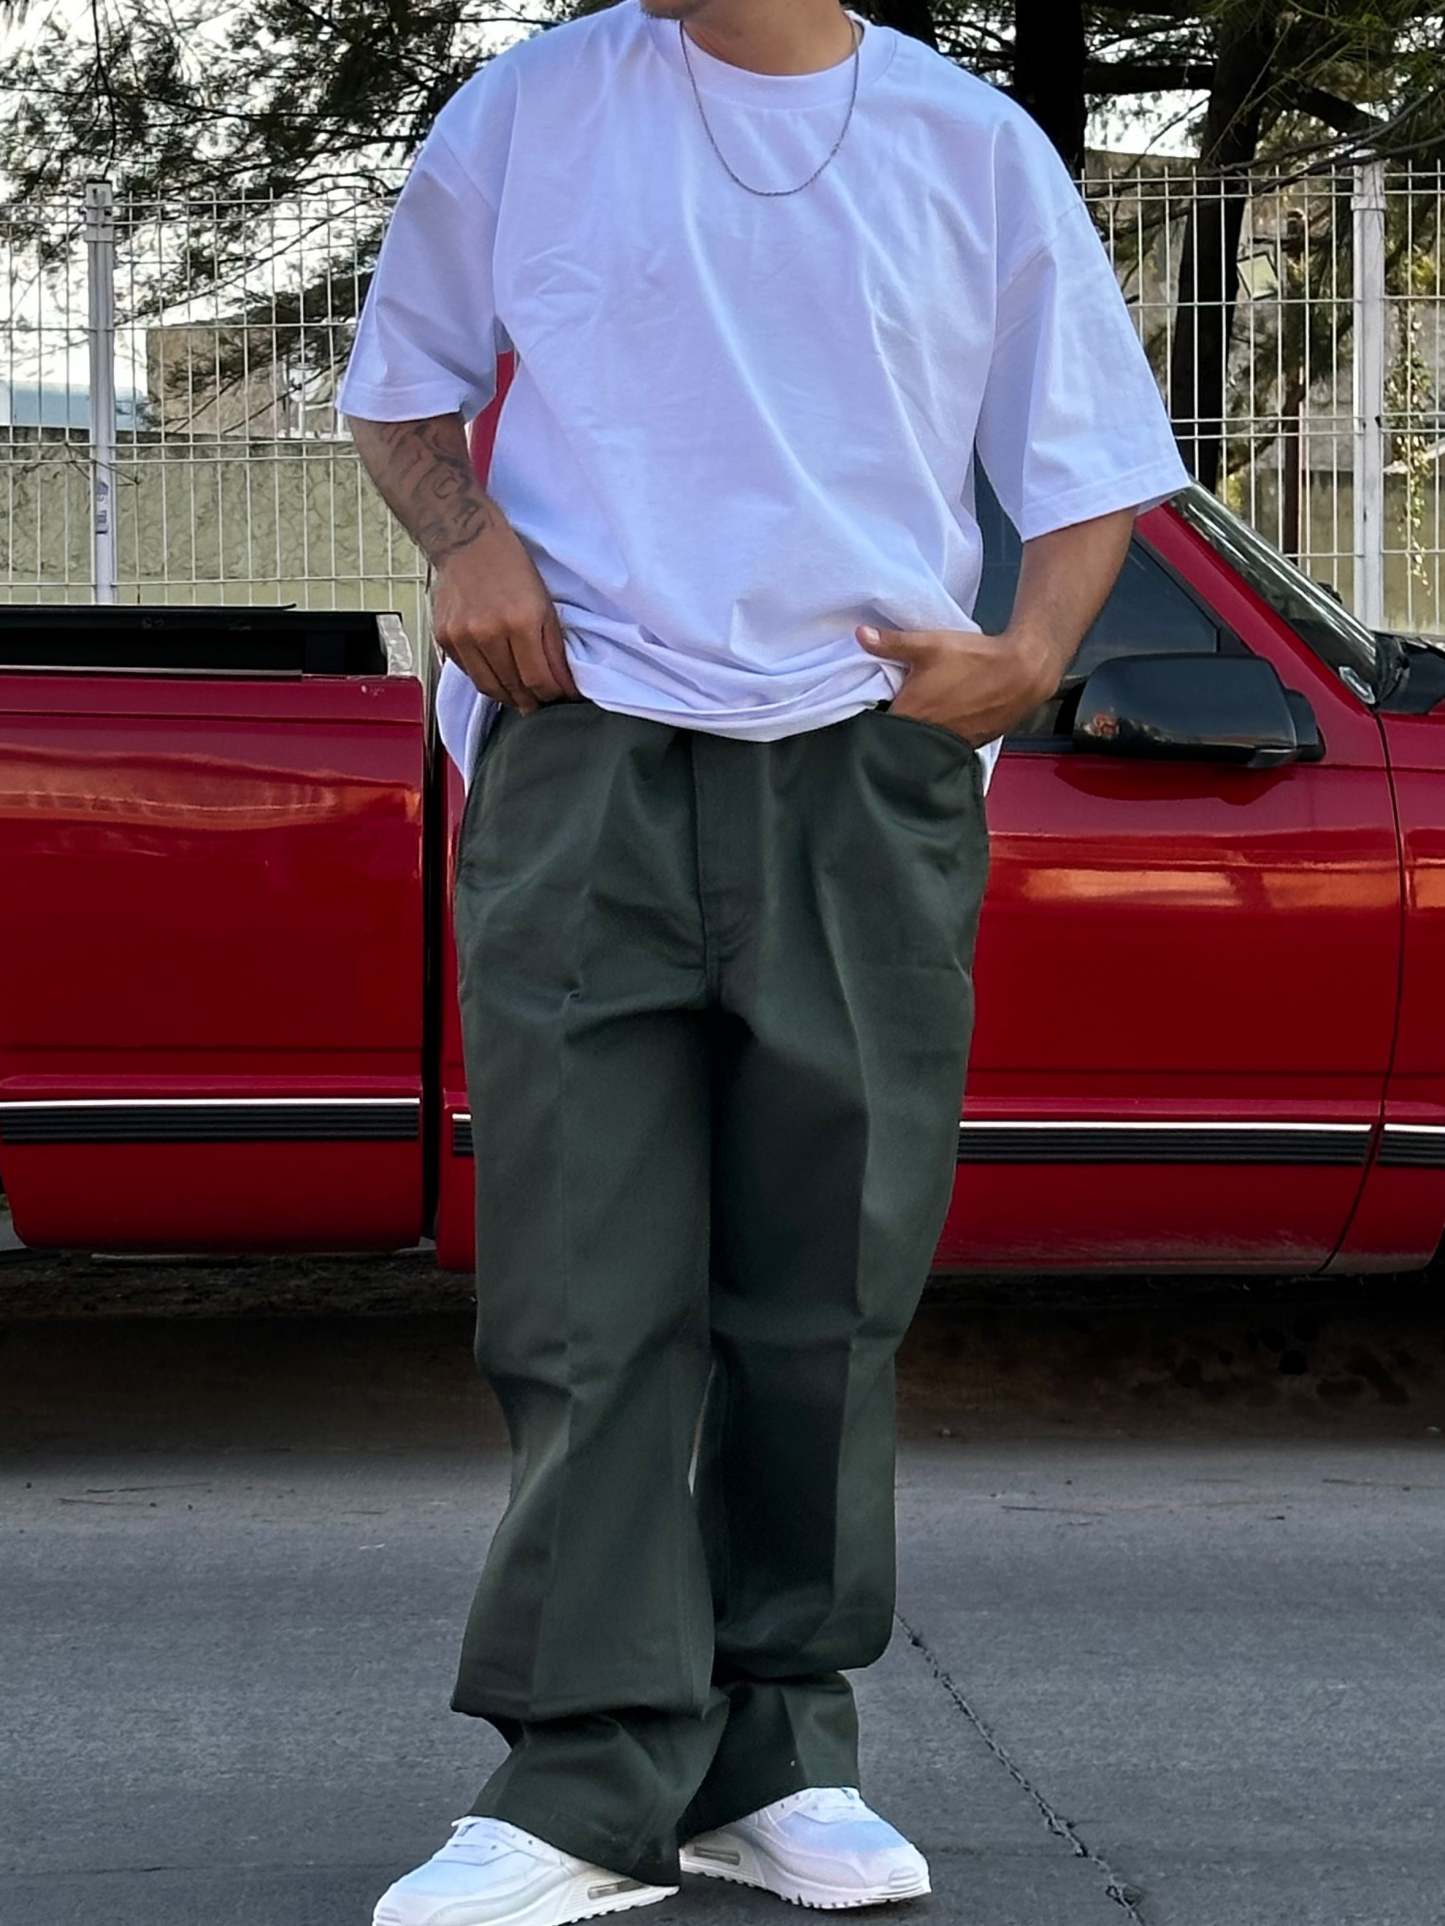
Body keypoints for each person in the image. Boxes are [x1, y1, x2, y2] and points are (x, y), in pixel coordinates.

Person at [339, 1, 1190, 1920]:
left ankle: (776, 1755)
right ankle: (581, 1781)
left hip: (862, 764)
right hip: (583, 745)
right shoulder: (533, 109)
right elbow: (398, 392)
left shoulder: (969, 148)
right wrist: (466, 540)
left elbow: (1090, 459)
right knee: (584, 1292)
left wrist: (1029, 655)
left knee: (828, 1291)